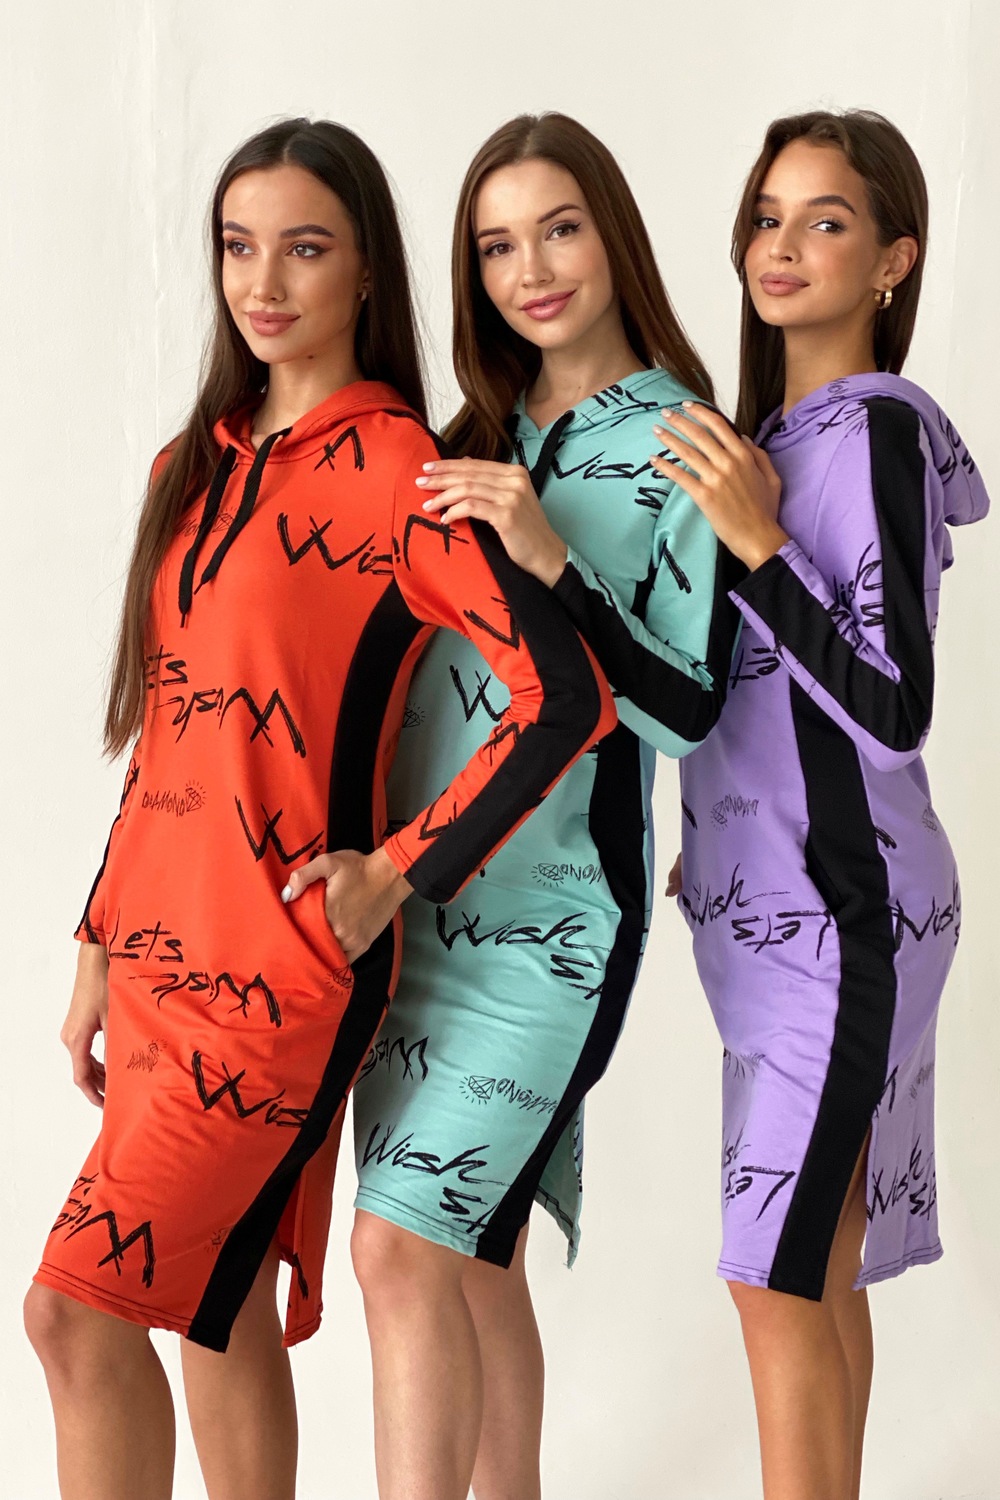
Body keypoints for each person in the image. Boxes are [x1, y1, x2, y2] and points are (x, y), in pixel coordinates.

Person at [23, 116, 614, 1500]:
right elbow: (165, 725)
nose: (264, 281)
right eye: (239, 247)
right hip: (156, 955)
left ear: (365, 272)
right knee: (211, 1303)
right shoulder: (192, 466)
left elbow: (565, 697)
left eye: (304, 248)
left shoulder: (404, 475)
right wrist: (98, 940)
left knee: (69, 1314)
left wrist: (395, 871)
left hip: (277, 972)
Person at [350, 112, 741, 1500]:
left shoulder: (690, 445)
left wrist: (552, 558)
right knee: (473, 1259)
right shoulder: (469, 438)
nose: (532, 270)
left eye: (559, 228)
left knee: (398, 1249)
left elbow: (686, 710)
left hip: (558, 928)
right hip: (415, 908)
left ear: (612, 233)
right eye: (497, 245)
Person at [654, 110, 990, 1500]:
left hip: (847, 918)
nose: (781, 246)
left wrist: (757, 543)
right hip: (772, 915)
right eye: (767, 217)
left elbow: (894, 705)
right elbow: (757, 694)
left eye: (826, 221)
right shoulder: (768, 438)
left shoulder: (878, 432)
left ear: (894, 260)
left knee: (775, 1272)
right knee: (818, 1261)